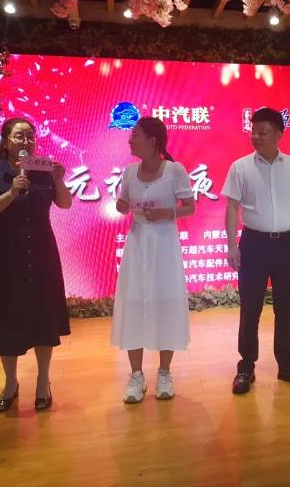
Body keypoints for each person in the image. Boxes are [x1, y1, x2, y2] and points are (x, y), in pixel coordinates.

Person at [0, 117, 73, 412]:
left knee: (44, 317)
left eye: (30, 135)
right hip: (5, 256)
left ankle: (42, 382)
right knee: (8, 319)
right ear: (5, 140)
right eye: (19, 136)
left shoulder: (43, 169)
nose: (26, 141)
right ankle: (10, 384)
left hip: (41, 253)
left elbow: (65, 203)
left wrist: (58, 179)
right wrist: (11, 193)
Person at [223, 107, 290, 395]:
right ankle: (246, 366)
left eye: (263, 132)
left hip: (285, 245)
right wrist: (232, 246)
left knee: (285, 307)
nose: (256, 137)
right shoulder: (240, 167)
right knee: (250, 307)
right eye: (253, 132)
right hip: (253, 244)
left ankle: (287, 365)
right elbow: (232, 208)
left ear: (279, 134)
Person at [112, 117, 195, 403]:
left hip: (164, 245)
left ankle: (164, 373)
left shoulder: (174, 170)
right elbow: (123, 205)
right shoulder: (129, 172)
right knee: (134, 302)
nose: (130, 140)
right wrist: (122, 206)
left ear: (152, 141)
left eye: (135, 135)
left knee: (166, 302)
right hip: (137, 245)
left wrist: (167, 213)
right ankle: (136, 375)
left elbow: (190, 207)